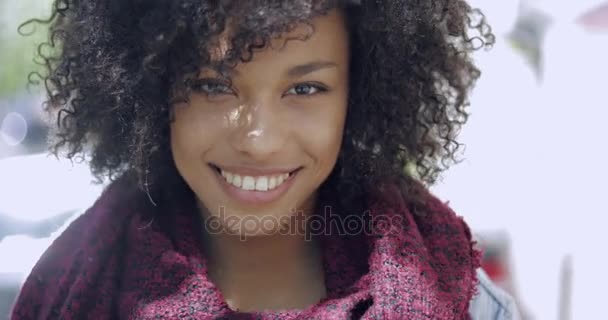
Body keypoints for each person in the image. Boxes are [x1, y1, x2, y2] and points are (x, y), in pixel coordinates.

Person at [10, 0, 519, 319]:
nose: (258, 140)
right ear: (153, 91)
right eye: (212, 86)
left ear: (358, 95)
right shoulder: (68, 293)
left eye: (305, 87)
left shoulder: (464, 305)